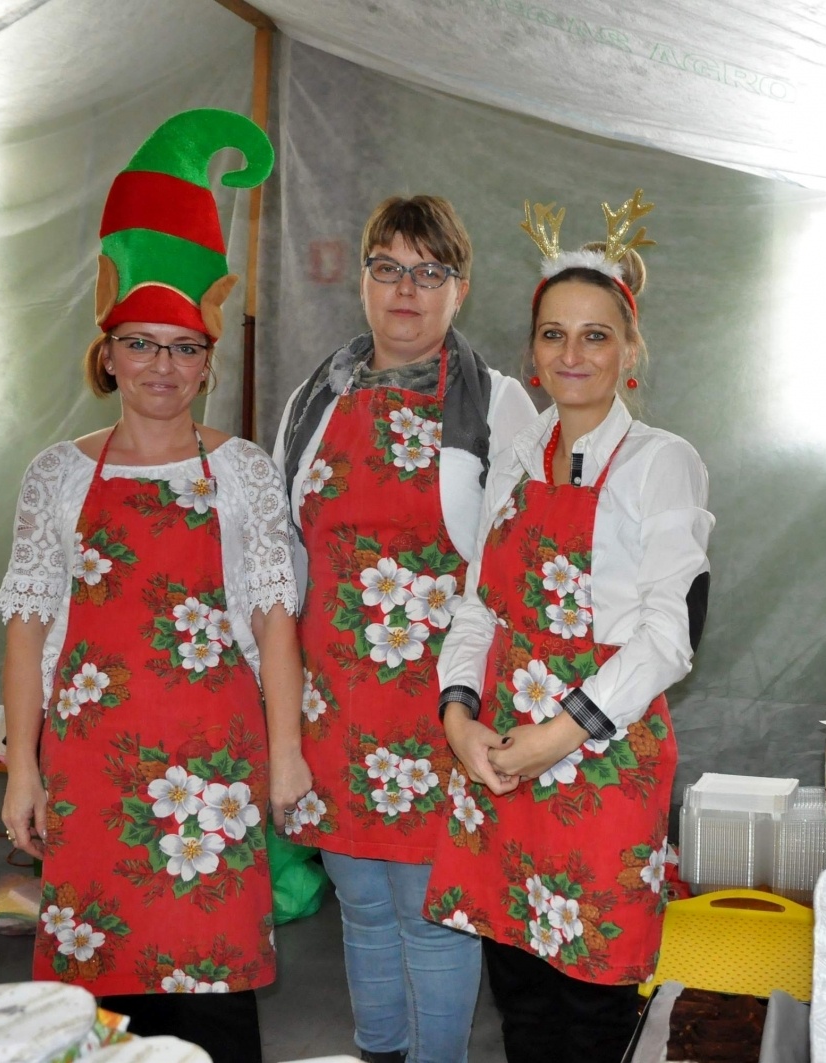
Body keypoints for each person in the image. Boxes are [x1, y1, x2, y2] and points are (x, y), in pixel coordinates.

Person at [0, 109, 302, 1063]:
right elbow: (27, 631)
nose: (163, 367)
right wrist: (21, 766)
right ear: (109, 349)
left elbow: (273, 618)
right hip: (89, 768)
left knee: (213, 985)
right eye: (142, 343)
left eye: (185, 347)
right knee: (101, 994)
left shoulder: (243, 468)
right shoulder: (56, 473)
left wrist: (285, 754)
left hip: (216, 765)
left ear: (209, 356)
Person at [427, 191, 714, 1063]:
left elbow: (669, 634)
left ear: (631, 350)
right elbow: (481, 604)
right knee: (520, 996)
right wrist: (459, 719)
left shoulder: (663, 461)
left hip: (599, 764)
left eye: (596, 334)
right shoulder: (516, 454)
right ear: (533, 349)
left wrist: (555, 737)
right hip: (504, 761)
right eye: (554, 333)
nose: (573, 352)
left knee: (589, 1007)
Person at [272, 195, 538, 1063]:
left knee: (435, 911)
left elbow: (522, 562)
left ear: (460, 291)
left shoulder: (500, 407)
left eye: (430, 272)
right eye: (387, 266)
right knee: (360, 898)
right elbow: (284, 555)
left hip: (442, 709)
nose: (406, 289)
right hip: (336, 702)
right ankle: (376, 1051)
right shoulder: (314, 401)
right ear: (362, 281)